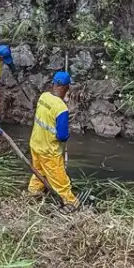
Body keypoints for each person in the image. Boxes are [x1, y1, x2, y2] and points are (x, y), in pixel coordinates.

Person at [28, 71, 79, 207]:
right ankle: (71, 203)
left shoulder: (43, 97)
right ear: (66, 88)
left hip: (35, 144)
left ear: (53, 84)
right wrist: (67, 135)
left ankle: (33, 194)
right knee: (61, 181)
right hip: (49, 151)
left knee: (39, 173)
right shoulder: (61, 108)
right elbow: (61, 136)